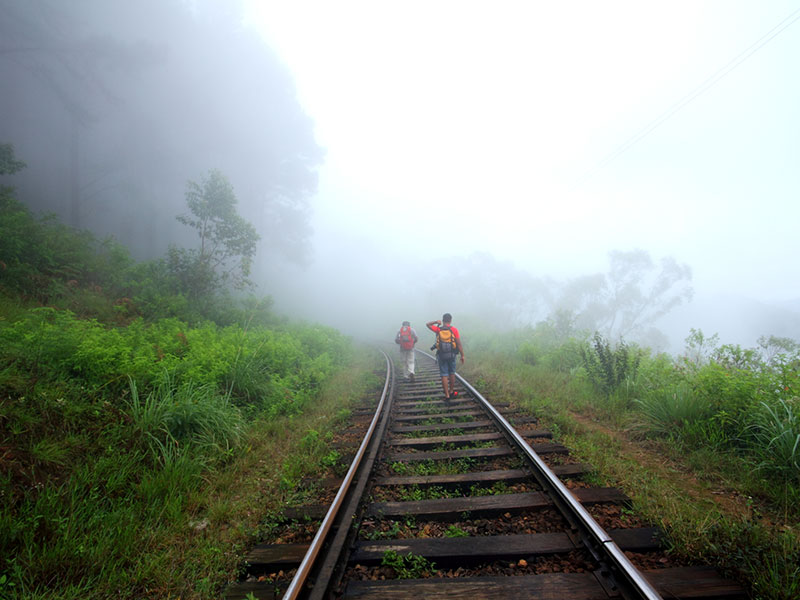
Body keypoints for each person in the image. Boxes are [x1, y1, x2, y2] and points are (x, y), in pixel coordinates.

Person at [426, 313, 464, 400]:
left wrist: (436, 321)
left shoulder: (438, 329)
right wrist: (462, 355)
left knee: (444, 374)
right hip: (452, 355)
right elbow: (459, 344)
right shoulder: (454, 330)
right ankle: (451, 391)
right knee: (452, 373)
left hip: (441, 355)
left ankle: (446, 395)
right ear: (450, 320)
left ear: (443, 320)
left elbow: (427, 324)